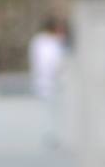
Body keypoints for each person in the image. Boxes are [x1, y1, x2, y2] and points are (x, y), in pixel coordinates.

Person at [27, 18, 67, 147]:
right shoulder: (51, 44)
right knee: (52, 112)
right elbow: (53, 64)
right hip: (51, 83)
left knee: (48, 112)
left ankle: (51, 135)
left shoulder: (38, 41)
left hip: (41, 82)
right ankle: (52, 136)